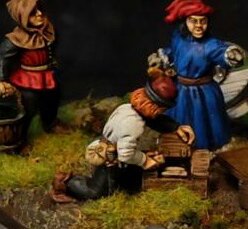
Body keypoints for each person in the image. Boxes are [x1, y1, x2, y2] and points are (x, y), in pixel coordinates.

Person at [56, 67, 196, 201]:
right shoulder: (133, 124)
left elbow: (153, 120)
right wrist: (145, 160)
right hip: (110, 158)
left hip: (120, 154)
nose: (161, 112)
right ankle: (66, 182)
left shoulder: (129, 108)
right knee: (95, 192)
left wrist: (175, 127)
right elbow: (125, 154)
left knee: (133, 180)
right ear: (154, 107)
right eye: (161, 109)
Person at [158, 0, 244, 151]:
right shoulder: (179, 38)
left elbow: (222, 52)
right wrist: (162, 56)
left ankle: (206, 149)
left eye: (203, 21)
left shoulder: (211, 45)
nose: (199, 26)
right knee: (179, 120)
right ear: (185, 22)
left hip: (203, 93)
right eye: (193, 21)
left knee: (205, 124)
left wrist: (231, 55)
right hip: (180, 90)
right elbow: (174, 52)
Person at [0, 0, 65, 134]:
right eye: (32, 13)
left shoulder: (48, 31)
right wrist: (1, 79)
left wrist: (52, 63)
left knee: (52, 99)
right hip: (28, 79)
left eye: (39, 9)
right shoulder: (15, 39)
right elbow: (2, 58)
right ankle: (20, 135)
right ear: (23, 17)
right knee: (28, 107)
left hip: (48, 75)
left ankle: (50, 123)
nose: (39, 14)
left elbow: (52, 47)